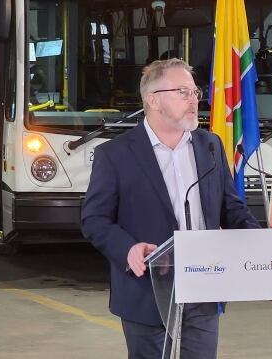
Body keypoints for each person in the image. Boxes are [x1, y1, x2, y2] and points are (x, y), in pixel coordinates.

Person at [81, 58, 260, 359]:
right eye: (182, 92)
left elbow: (232, 208)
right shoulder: (114, 154)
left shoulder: (210, 145)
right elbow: (94, 219)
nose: (193, 100)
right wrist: (127, 249)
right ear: (153, 100)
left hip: (204, 284)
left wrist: (258, 240)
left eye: (194, 92)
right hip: (146, 289)